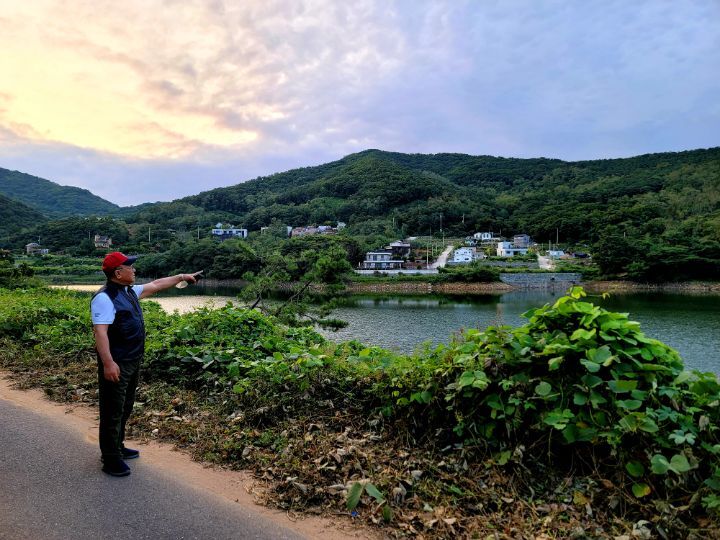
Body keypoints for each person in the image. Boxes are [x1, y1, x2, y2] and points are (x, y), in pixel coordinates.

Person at [91, 251, 202, 477]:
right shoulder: (104, 298)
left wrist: (182, 276)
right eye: (129, 267)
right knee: (112, 410)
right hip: (117, 362)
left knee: (125, 405)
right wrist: (109, 363)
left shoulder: (129, 291)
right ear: (118, 273)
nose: (134, 270)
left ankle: (118, 446)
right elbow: (100, 333)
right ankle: (110, 458)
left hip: (132, 359)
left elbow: (157, 284)